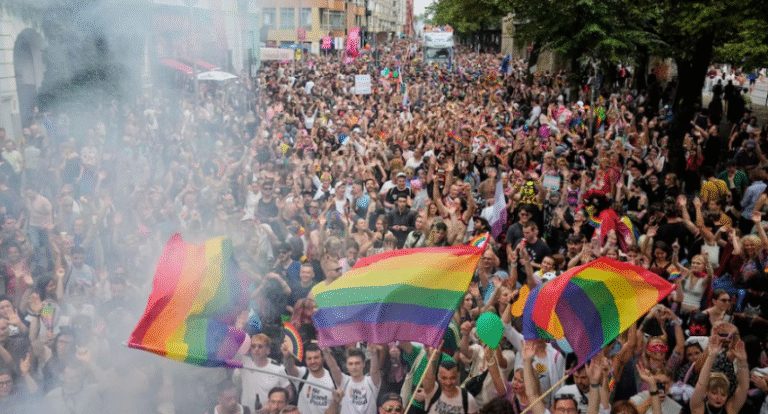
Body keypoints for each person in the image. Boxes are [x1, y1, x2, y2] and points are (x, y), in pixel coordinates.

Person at [235, 334, 291, 413]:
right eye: (253, 346)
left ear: (268, 350)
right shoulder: (244, 363)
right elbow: (232, 349)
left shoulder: (278, 369)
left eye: (260, 346)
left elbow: (289, 394)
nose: (256, 349)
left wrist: (272, 406)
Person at [283, 343, 338, 414]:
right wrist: (288, 356)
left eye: (316, 357)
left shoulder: (332, 378)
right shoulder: (302, 374)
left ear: (322, 358)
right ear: (305, 360)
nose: (313, 361)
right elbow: (290, 368)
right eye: (309, 358)